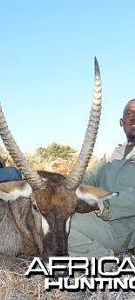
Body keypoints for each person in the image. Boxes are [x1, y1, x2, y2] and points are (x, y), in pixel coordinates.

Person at [68, 98, 135, 259]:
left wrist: (103, 204)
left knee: (65, 230)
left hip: (126, 227)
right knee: (55, 222)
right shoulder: (110, 155)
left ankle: (109, 264)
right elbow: (88, 179)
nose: (133, 117)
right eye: (128, 113)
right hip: (100, 220)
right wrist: (65, 189)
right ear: (122, 122)